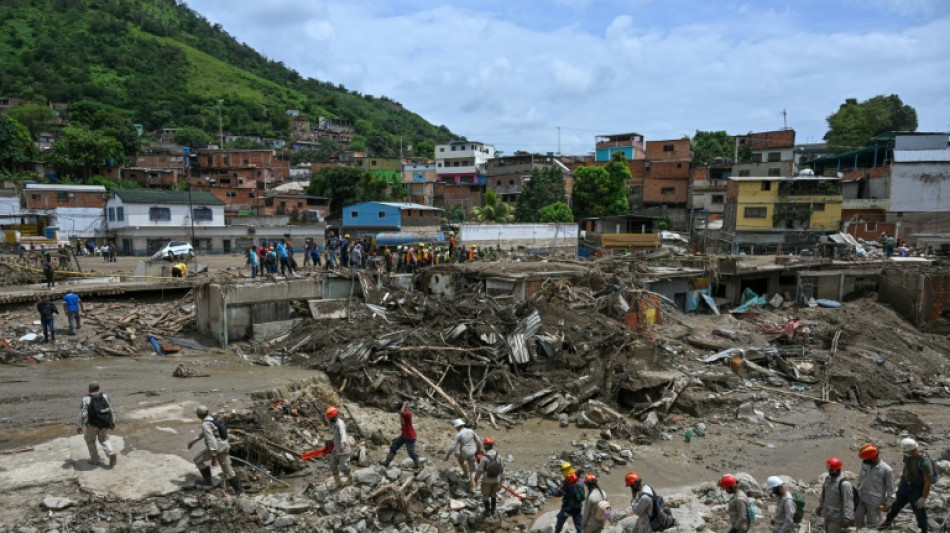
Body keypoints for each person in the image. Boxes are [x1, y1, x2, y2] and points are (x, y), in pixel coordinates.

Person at [878, 438, 932, 532]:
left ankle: (924, 529)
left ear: (911, 449)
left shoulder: (925, 462)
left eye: (906, 451)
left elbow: (928, 481)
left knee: (919, 510)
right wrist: (901, 481)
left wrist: (923, 498)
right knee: (895, 504)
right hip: (905, 485)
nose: (905, 453)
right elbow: (906, 467)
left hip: (916, 488)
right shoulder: (908, 457)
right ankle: (887, 522)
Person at [187, 405, 242, 495]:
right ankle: (238, 491)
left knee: (197, 460)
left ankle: (208, 482)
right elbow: (205, 433)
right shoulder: (212, 419)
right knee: (227, 468)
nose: (197, 415)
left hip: (216, 447)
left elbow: (211, 440)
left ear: (200, 414)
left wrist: (213, 457)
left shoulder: (205, 424)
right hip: (225, 445)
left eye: (197, 413)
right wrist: (194, 440)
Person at [76, 381, 117, 467]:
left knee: (90, 440)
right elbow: (110, 409)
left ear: (89, 389)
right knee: (104, 439)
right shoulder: (105, 396)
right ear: (98, 388)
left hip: (92, 424)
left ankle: (94, 459)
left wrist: (79, 426)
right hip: (105, 422)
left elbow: (82, 414)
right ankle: (110, 453)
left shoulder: (86, 399)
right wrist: (113, 420)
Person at [856, 444, 895, 528]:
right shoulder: (865, 464)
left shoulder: (886, 470)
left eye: (867, 458)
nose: (865, 460)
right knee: (858, 520)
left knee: (872, 525)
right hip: (861, 498)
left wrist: (888, 503)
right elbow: (860, 479)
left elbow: (891, 489)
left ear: (873, 457)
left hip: (875, 503)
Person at [817, 457, 855, 533]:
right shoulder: (828, 480)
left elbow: (848, 502)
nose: (830, 472)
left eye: (832, 470)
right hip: (827, 515)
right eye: (829, 470)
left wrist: (846, 519)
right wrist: (820, 506)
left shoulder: (844, 484)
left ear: (838, 469)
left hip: (837, 519)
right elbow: (824, 495)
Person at [443, 418, 481, 492]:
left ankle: (465, 473)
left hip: (464, 453)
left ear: (457, 427)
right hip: (473, 452)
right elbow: (478, 441)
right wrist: (479, 449)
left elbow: (453, 447)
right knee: (473, 470)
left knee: (460, 459)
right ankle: (473, 487)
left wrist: (447, 455)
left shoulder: (459, 435)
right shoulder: (471, 431)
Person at [382, 401, 421, 470]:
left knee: (411, 453)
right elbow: (401, 410)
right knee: (393, 446)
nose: (398, 412)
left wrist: (404, 404)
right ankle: (386, 463)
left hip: (410, 437)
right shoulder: (403, 412)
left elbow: (402, 412)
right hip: (404, 435)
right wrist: (398, 403)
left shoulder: (408, 414)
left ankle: (418, 465)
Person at [474, 436, 503, 517]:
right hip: (496, 479)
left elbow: (480, 470)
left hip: (487, 480)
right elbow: (501, 468)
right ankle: (493, 511)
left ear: (486, 446)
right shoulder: (498, 456)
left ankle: (487, 512)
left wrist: (476, 479)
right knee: (494, 494)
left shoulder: (484, 458)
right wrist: (500, 478)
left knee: (485, 496)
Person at [326, 406, 352, 488]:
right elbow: (336, 435)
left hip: (343, 448)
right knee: (332, 464)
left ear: (334, 416)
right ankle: (338, 483)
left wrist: (343, 443)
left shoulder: (340, 423)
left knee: (344, 466)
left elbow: (343, 433)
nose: (329, 419)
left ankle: (350, 480)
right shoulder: (334, 423)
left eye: (330, 417)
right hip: (336, 448)